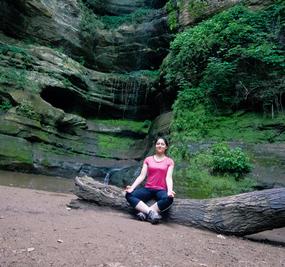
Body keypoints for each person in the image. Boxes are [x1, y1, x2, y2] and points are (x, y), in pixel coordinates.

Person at [125, 137, 175, 224]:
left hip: (161, 190)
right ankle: (150, 213)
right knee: (129, 195)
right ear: (155, 145)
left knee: (169, 199)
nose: (160, 145)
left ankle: (144, 213)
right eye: (158, 144)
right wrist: (132, 187)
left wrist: (170, 191)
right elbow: (142, 176)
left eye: (162, 144)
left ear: (166, 147)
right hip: (148, 188)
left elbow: (169, 178)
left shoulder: (169, 161)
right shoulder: (148, 159)